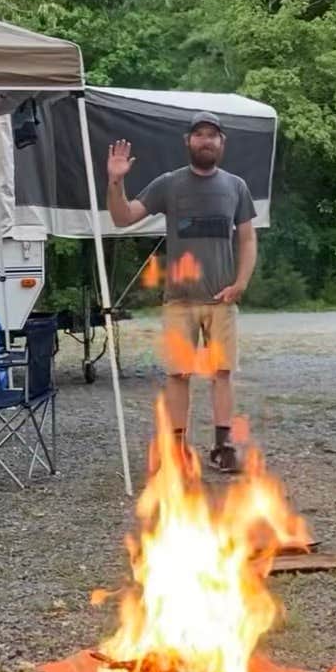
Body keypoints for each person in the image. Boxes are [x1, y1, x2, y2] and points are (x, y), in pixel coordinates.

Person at [106, 111, 256, 473]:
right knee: (178, 374)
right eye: (199, 134)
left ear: (222, 143)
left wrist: (241, 283)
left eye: (213, 135)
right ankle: (176, 448)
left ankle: (223, 448)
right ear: (187, 141)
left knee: (222, 372)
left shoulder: (236, 186)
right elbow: (123, 217)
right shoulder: (169, 184)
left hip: (221, 300)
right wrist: (115, 183)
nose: (206, 141)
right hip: (179, 301)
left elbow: (248, 238)